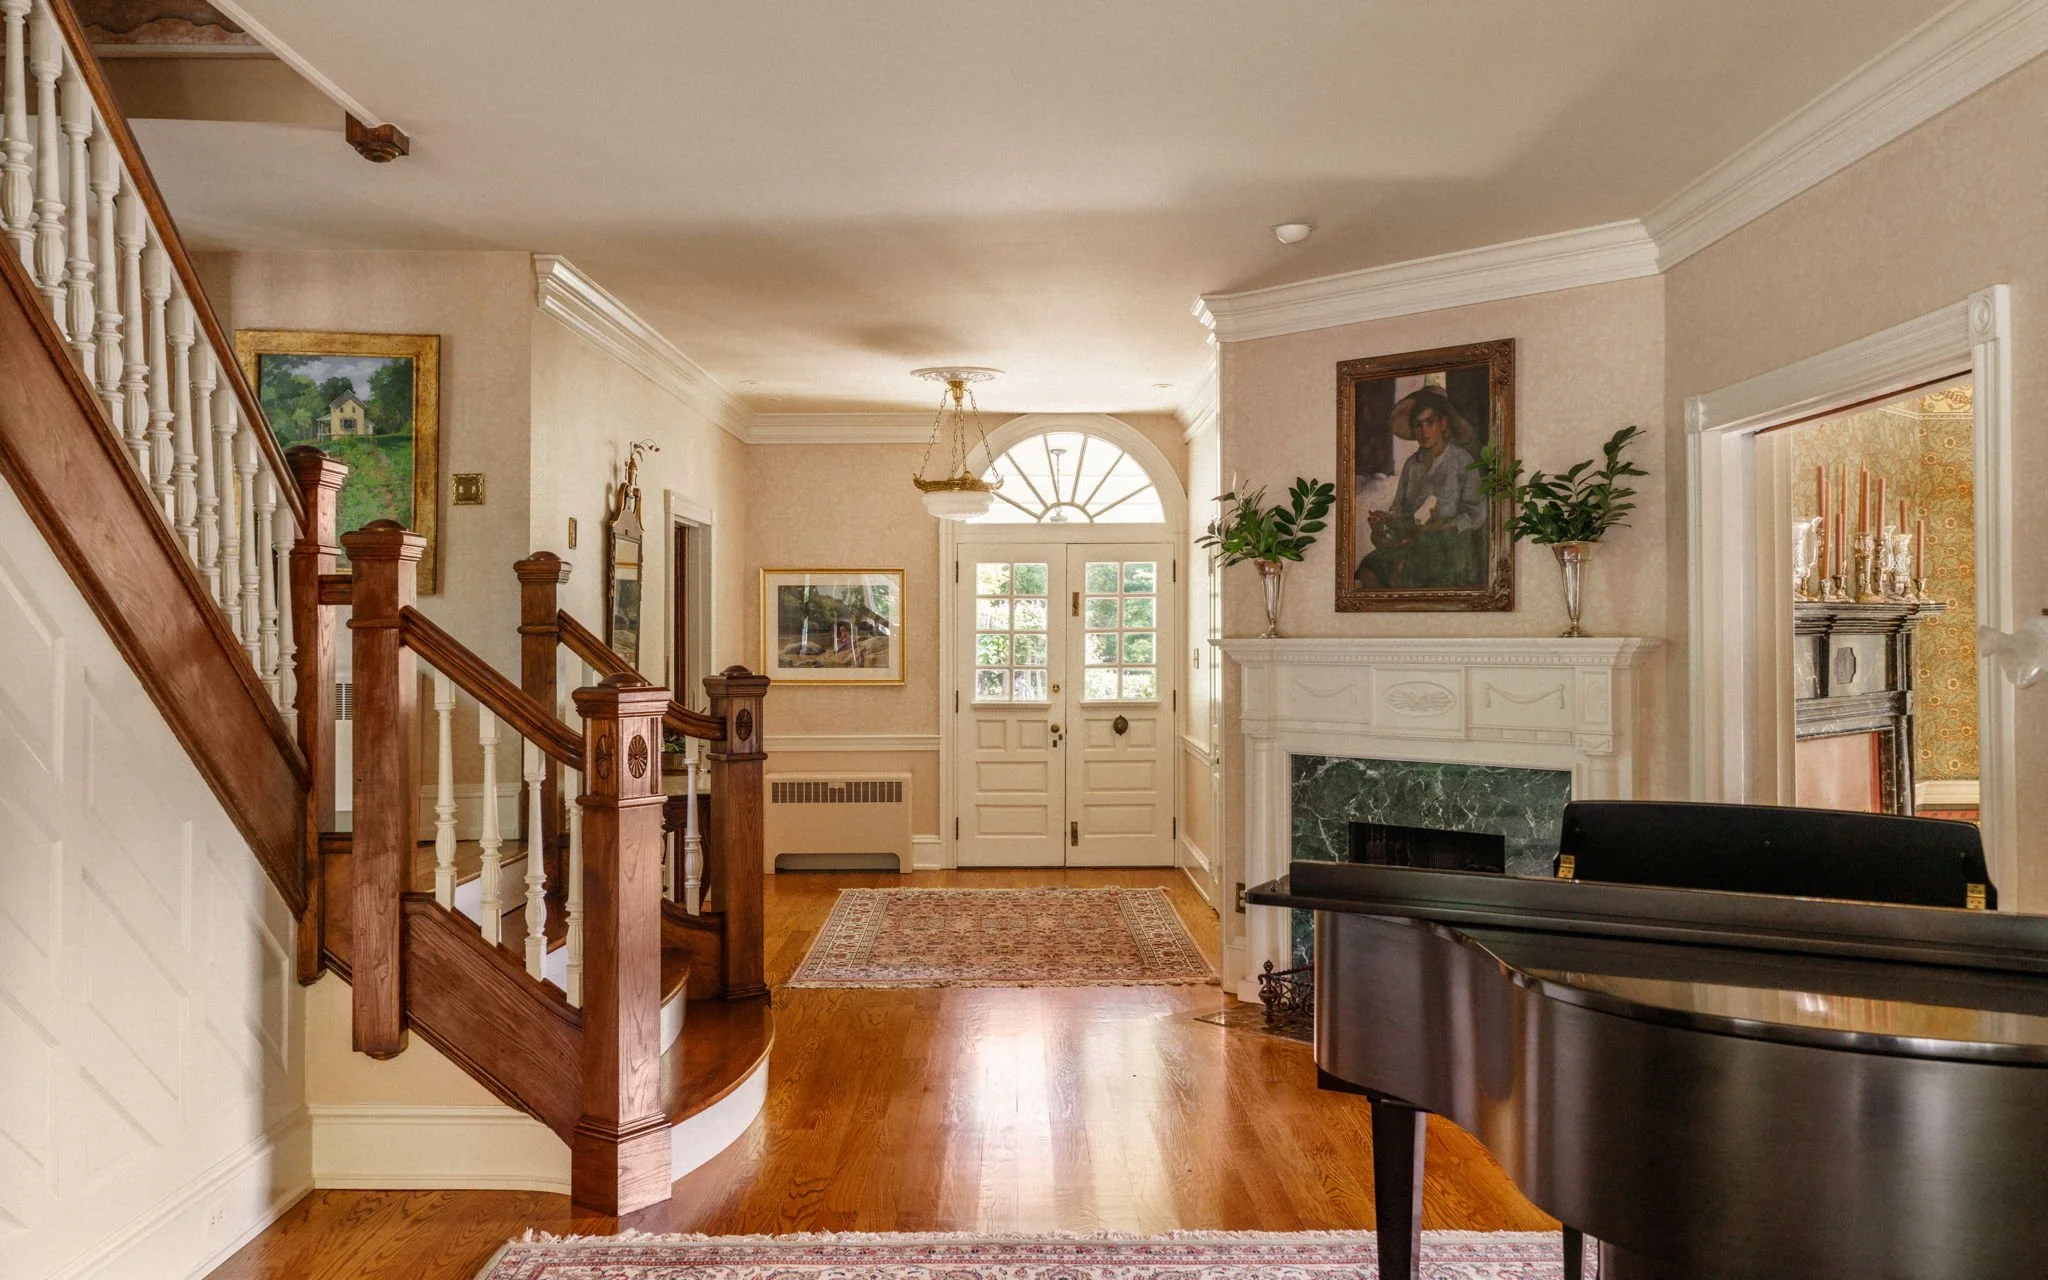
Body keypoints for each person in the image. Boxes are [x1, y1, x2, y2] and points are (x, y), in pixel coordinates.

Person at [1355, 387, 1485, 589]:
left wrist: (1443, 525)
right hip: (1412, 541)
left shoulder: (1462, 461)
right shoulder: (1411, 465)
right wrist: (1386, 518)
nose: (1423, 431)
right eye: (1418, 425)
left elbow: (1476, 513)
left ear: (1443, 424)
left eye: (1429, 423)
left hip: (1450, 545)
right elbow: (1399, 508)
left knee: (1408, 576)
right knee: (1368, 568)